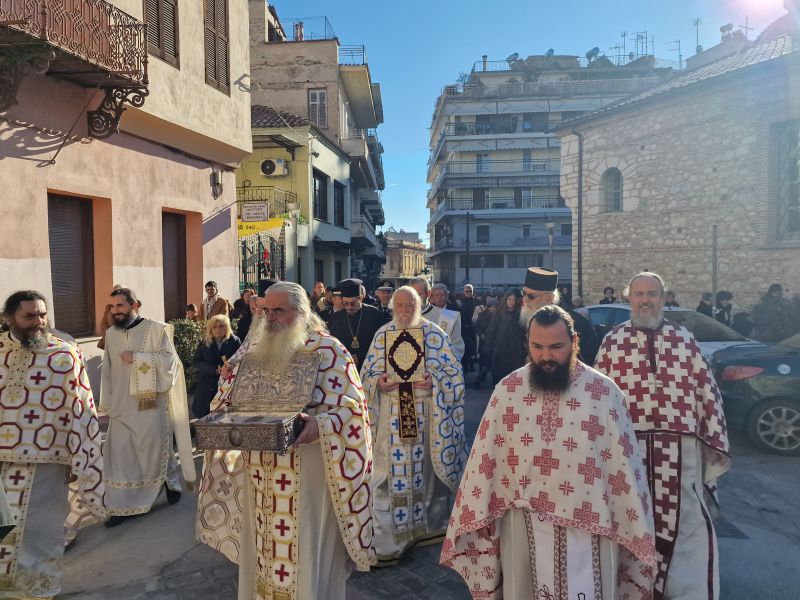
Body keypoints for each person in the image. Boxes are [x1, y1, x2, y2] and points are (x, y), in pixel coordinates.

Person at [441, 305, 656, 599]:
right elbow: (485, 460)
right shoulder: (509, 390)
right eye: (537, 346)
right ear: (527, 343)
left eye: (556, 347)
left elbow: (626, 471)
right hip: (523, 519)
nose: (545, 356)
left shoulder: (604, 393)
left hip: (591, 524)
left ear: (574, 342)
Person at [196, 282, 375, 599]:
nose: (270, 317)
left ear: (302, 312)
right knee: (264, 549)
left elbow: (353, 409)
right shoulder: (254, 351)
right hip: (260, 472)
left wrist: (319, 425)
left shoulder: (328, 350)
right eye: (266, 310)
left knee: (303, 547)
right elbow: (225, 402)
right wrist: (223, 407)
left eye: (279, 310)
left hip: (306, 471)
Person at [595, 272, 731, 600]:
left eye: (652, 293)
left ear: (663, 296)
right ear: (629, 298)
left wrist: (712, 439)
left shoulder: (684, 340)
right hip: (630, 449)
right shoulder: (613, 342)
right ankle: (634, 589)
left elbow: (706, 393)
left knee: (686, 525)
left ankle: (685, 591)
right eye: (639, 293)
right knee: (630, 519)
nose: (645, 300)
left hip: (680, 449)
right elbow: (597, 397)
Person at [0, 291, 104, 597]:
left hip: (48, 459)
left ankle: (39, 588)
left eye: (42, 315)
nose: (38, 322)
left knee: (40, 530)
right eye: (29, 316)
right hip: (3, 461)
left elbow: (82, 409)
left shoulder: (64, 354)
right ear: (9, 319)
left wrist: (79, 456)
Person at [360, 286, 465, 565]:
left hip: (424, 414)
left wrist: (435, 382)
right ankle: (389, 539)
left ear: (420, 306)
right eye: (400, 306)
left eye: (410, 306)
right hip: (391, 418)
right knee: (386, 476)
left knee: (424, 473)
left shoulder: (433, 334)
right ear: (392, 307)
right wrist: (377, 383)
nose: (405, 311)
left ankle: (428, 527)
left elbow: (454, 373)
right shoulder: (383, 334)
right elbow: (367, 373)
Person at [101, 287, 195, 527]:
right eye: (112, 307)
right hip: (122, 405)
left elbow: (171, 364)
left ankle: (170, 482)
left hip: (149, 402)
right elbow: (108, 371)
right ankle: (121, 507)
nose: (116, 311)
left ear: (134, 305)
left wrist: (140, 358)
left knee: (153, 449)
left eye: (120, 306)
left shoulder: (156, 330)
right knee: (120, 454)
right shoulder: (111, 334)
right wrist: (108, 403)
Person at [521, 267, 599, 364]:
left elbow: (586, 359)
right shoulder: (518, 321)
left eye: (531, 296)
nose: (525, 299)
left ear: (549, 298)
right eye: (524, 293)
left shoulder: (578, 324)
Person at [328, 278, 390, 369]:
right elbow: (332, 345)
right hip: (344, 367)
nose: (349, 307)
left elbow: (382, 344)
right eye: (346, 303)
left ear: (360, 298)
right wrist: (346, 357)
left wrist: (361, 357)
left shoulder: (376, 315)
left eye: (353, 304)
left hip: (371, 366)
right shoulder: (336, 318)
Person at [191, 315, 241, 418]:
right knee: (204, 417)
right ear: (210, 329)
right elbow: (197, 361)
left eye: (221, 326)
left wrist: (230, 370)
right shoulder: (205, 342)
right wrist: (215, 370)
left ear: (226, 327)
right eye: (215, 326)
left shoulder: (234, 341)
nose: (218, 329)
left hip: (227, 386)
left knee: (225, 418)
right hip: (206, 386)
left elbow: (240, 361)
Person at [409, 278, 465, 360]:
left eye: (418, 294)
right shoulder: (402, 317)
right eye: (411, 295)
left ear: (428, 294)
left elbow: (457, 349)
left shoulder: (449, 317)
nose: (414, 299)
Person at [485, 292, 524, 384]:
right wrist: (488, 349)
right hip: (500, 351)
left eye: (513, 300)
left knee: (513, 378)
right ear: (505, 300)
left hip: (514, 352)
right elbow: (491, 332)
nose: (511, 302)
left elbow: (522, 332)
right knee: (499, 378)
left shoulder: (519, 314)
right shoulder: (498, 314)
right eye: (509, 299)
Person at [473, 297, 497, 389]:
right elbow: (476, 326)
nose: (492, 308)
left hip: (494, 343)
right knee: (484, 362)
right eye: (490, 306)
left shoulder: (498, 316)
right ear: (487, 306)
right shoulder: (481, 315)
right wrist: (481, 334)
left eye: (494, 306)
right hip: (484, 342)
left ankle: (480, 380)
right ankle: (480, 379)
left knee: (489, 363)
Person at [459, 284, 478, 372]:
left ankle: (471, 365)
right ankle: (465, 366)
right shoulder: (460, 302)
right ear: (464, 292)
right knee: (465, 347)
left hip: (474, 327)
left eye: (470, 291)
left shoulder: (477, 301)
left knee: (473, 347)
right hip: (463, 328)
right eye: (467, 291)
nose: (469, 293)